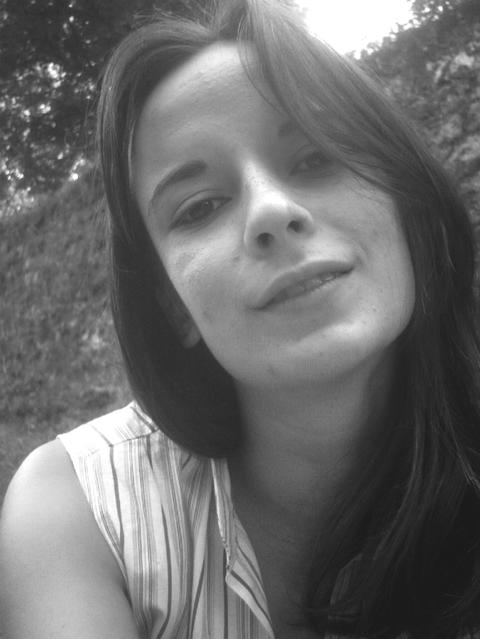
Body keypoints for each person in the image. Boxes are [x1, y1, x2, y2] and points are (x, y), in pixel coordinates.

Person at [1, 0, 480, 637]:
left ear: (407, 206)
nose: (271, 211)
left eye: (315, 158)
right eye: (199, 207)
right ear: (173, 304)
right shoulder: (79, 508)